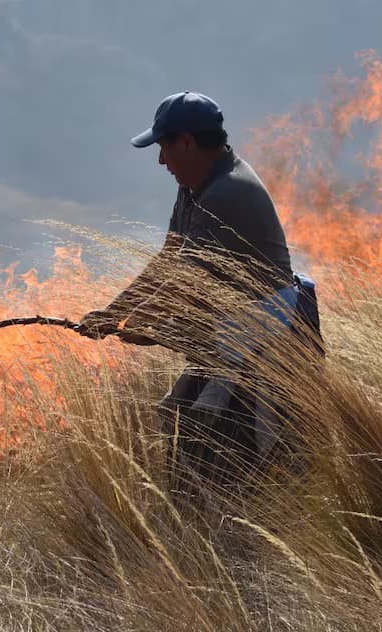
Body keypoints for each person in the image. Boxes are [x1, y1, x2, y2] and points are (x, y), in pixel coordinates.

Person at [77, 91, 311, 496]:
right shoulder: (196, 185)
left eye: (164, 147)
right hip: (232, 337)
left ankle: (232, 538)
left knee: (232, 448)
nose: (161, 161)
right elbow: (169, 260)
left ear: (186, 142)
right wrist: (114, 312)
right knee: (181, 420)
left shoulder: (226, 193)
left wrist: (147, 327)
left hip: (264, 341)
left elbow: (189, 284)